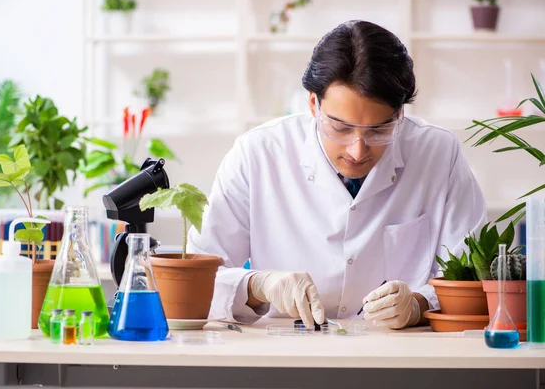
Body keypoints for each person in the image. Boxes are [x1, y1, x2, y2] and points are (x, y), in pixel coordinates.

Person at [187, 20, 487, 329]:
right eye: (340, 128)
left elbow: (470, 276)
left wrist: (419, 303)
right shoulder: (257, 153)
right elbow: (197, 281)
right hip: (282, 355)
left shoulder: (438, 152)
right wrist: (258, 286)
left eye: (379, 130)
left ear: (400, 114)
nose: (358, 151)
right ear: (313, 104)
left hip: (400, 356)